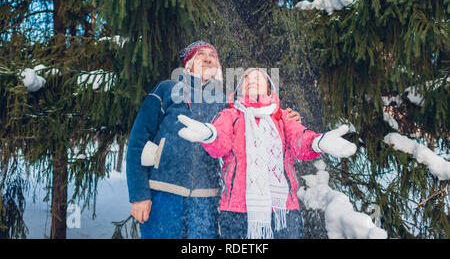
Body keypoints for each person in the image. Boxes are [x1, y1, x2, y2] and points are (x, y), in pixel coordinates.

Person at [126, 42, 301, 239]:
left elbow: (256, 114)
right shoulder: (167, 90)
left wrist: (283, 117)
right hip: (163, 193)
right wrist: (139, 194)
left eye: (213, 55)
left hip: (206, 201)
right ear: (189, 64)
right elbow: (138, 143)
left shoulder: (224, 102)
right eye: (201, 54)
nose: (208, 58)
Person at [178, 68, 357, 239]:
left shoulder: (283, 117)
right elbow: (220, 143)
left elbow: (299, 140)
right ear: (239, 89)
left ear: (270, 88)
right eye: (246, 78)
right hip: (236, 211)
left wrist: (318, 142)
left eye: (259, 77)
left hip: (283, 212)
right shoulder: (229, 115)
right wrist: (209, 135)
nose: (252, 80)